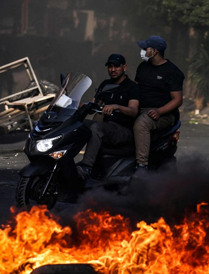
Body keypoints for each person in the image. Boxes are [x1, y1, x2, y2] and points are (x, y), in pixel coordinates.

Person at [76, 53, 140, 180]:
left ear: (124, 67)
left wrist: (117, 106)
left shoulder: (132, 87)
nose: (113, 69)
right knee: (80, 126)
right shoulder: (105, 85)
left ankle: (87, 168)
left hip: (124, 131)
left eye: (116, 66)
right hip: (107, 127)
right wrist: (76, 103)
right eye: (110, 66)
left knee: (96, 128)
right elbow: (94, 105)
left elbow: (133, 110)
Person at [133, 36, 184, 170]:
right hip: (140, 108)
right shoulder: (143, 67)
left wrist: (159, 111)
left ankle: (141, 165)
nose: (142, 51)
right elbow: (135, 88)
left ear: (154, 51)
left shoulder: (172, 72)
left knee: (141, 124)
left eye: (145, 49)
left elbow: (178, 99)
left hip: (163, 114)